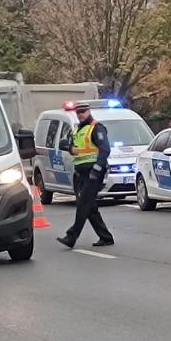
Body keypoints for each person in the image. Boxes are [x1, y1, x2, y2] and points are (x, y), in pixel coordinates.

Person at [56, 102, 115, 248]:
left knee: (83, 204)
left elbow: (105, 150)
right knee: (90, 207)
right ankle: (106, 237)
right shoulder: (77, 130)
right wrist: (70, 149)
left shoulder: (96, 128)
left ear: (89, 111)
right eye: (78, 112)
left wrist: (97, 168)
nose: (81, 114)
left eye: (83, 111)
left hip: (93, 172)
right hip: (80, 173)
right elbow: (72, 146)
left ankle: (71, 237)